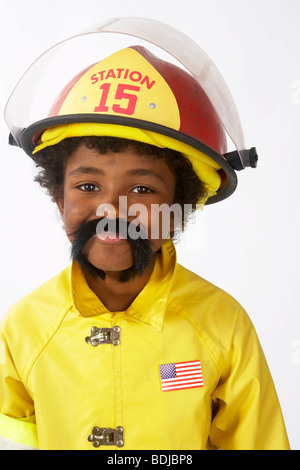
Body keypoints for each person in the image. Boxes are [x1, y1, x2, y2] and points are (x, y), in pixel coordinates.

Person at [0, 18, 290, 450]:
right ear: (59, 200)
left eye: (142, 189)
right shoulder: (23, 329)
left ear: (180, 210)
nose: (112, 210)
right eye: (87, 186)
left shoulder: (222, 325)